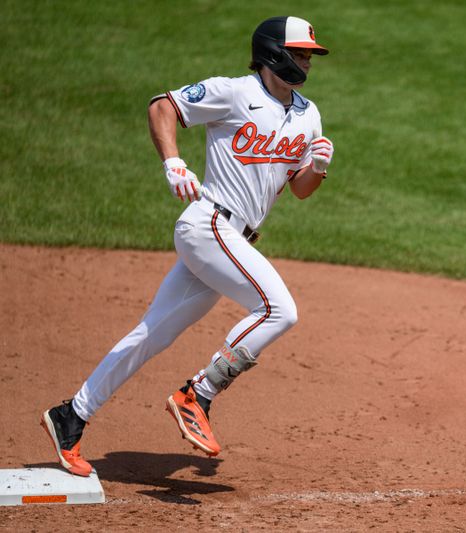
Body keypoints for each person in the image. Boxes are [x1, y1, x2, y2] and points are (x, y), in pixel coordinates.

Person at [40, 15, 334, 476]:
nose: (306, 62)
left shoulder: (308, 113)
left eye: (309, 55)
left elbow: (299, 189)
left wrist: (316, 168)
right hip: (209, 224)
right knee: (280, 309)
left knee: (151, 334)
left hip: (231, 238)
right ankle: (198, 392)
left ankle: (70, 416)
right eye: (299, 53)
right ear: (274, 52)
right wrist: (173, 162)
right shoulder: (236, 92)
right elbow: (163, 106)